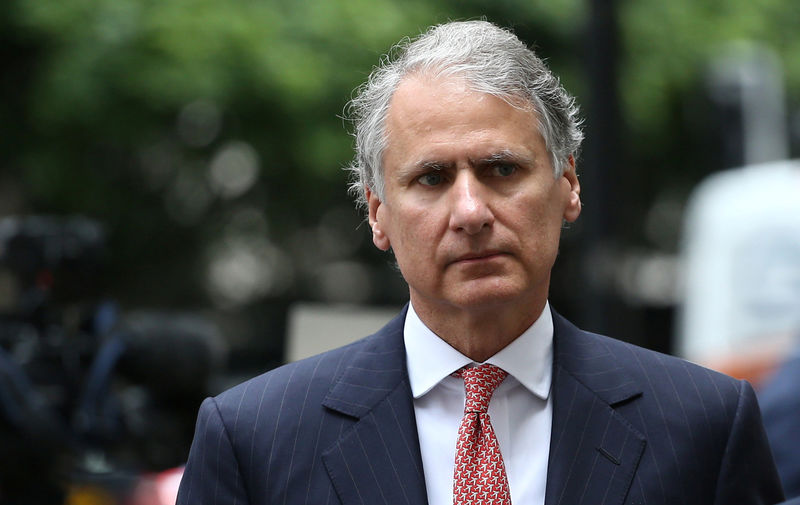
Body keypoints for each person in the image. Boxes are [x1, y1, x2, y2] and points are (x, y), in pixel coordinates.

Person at [176, 20, 784, 505]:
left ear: (568, 183)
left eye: (501, 169)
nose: (470, 211)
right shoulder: (256, 438)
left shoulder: (704, 425)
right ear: (378, 215)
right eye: (433, 177)